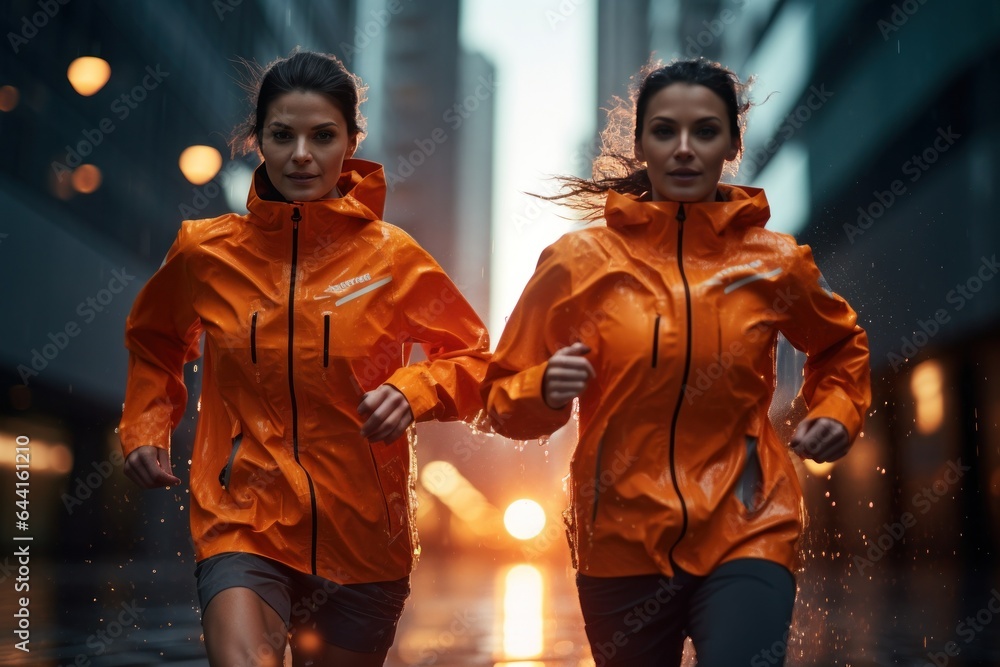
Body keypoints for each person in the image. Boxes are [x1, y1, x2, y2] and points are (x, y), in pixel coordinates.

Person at [481, 58, 871, 666]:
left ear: (733, 144)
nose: (684, 149)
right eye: (665, 131)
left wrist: (836, 410)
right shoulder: (576, 263)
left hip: (749, 524)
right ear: (640, 142)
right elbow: (502, 397)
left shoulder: (775, 263)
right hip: (618, 539)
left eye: (706, 131)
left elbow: (838, 344)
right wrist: (544, 389)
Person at [118, 50, 489, 667]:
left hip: (367, 538)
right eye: (282, 135)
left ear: (351, 143)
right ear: (257, 139)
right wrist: (146, 424)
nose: (301, 155)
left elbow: (474, 357)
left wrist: (417, 391)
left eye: (323, 136)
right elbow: (154, 340)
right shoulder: (205, 253)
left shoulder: (393, 258)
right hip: (242, 518)